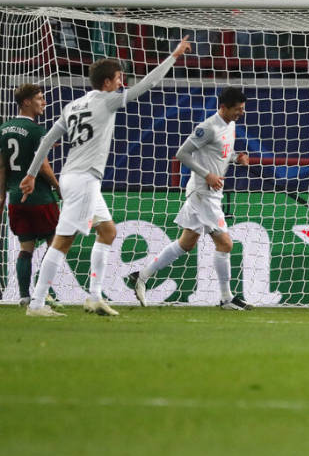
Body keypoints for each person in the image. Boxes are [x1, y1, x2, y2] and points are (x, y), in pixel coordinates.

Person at [19, 37, 193, 317]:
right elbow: (147, 85)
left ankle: (95, 296)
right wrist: (173, 56)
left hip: (74, 176)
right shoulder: (107, 102)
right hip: (84, 178)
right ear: (108, 82)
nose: (122, 82)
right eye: (119, 78)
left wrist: (30, 174)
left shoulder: (73, 105)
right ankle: (37, 304)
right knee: (63, 241)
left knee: (108, 231)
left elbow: (47, 141)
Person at [128, 87, 253, 311]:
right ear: (223, 107)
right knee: (225, 244)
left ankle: (141, 276)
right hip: (202, 192)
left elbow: (220, 155)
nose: (240, 113)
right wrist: (208, 175)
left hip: (212, 192)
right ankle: (226, 298)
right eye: (237, 109)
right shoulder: (207, 127)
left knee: (186, 243)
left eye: (242, 109)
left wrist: (236, 157)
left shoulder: (231, 125)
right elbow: (182, 154)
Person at [0, 84, 63, 310]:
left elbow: (1, 168)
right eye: (39, 98)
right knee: (57, 243)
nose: (44, 102)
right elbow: (43, 166)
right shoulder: (37, 131)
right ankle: (42, 293)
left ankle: (25, 296)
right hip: (40, 197)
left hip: (16, 198)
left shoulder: (3, 129)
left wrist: (2, 198)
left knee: (25, 249)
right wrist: (57, 186)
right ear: (26, 102)